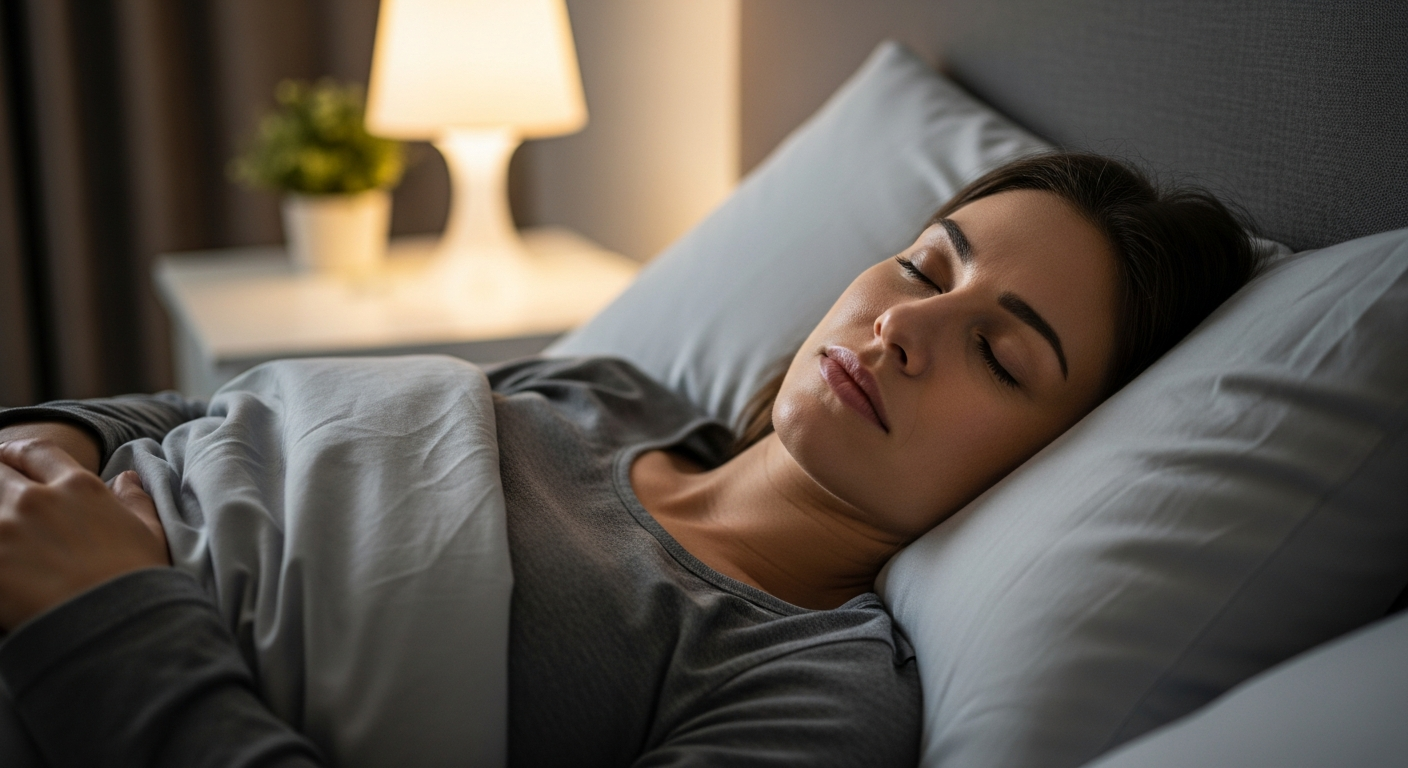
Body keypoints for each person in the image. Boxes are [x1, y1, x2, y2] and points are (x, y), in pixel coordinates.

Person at [0, 152, 1262, 767]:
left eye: (999, 353)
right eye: (925, 267)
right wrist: (49, 441)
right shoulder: (609, 392)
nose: (905, 328)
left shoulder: (812, 690)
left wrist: (103, 617)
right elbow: (203, 416)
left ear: (1051, 458)